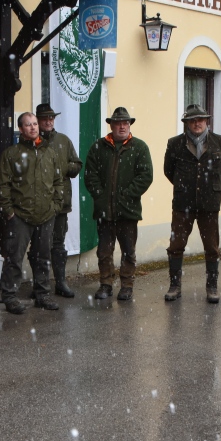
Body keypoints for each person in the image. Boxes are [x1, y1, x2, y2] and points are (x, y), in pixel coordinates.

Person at [162, 104, 221, 303]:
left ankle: (212, 287)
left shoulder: (219, 142)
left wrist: (210, 187)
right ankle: (174, 286)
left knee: (212, 247)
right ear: (186, 123)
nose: (197, 123)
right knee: (176, 245)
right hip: (182, 203)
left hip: (209, 204)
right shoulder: (175, 143)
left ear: (206, 121)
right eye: (192, 120)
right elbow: (168, 170)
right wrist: (185, 186)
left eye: (200, 120)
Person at [0, 112, 64, 314]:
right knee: (14, 258)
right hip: (20, 216)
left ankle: (42, 294)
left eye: (35, 124)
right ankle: (10, 296)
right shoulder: (12, 154)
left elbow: (58, 181)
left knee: (43, 257)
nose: (33, 127)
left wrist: (55, 206)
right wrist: (9, 211)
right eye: (28, 124)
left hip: (46, 215)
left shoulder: (50, 152)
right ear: (21, 128)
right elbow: (2, 185)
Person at [84, 107, 154, 301]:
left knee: (128, 252)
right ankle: (106, 284)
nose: (122, 127)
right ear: (111, 125)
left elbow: (145, 176)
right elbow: (90, 175)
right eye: (118, 123)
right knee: (104, 252)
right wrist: (100, 195)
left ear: (129, 125)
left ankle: (127, 285)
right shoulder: (98, 147)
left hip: (128, 211)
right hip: (104, 211)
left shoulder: (139, 147)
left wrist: (127, 195)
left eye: (126, 123)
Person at [27, 103, 82, 298]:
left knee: (58, 244)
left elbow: (77, 165)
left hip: (60, 203)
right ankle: (39, 285)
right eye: (45, 119)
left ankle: (60, 282)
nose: (49, 121)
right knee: (38, 246)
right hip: (37, 205)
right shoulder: (30, 142)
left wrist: (61, 168)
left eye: (51, 118)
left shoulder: (63, 141)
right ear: (37, 121)